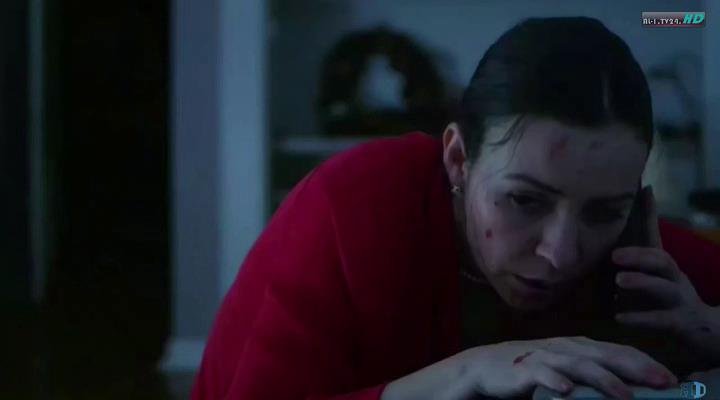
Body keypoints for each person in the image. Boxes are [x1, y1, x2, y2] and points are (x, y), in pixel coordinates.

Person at [191, 17, 720, 400]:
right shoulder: (355, 205)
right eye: (524, 200)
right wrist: (461, 373)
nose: (560, 253)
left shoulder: (634, 248)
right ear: (458, 159)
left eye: (603, 212)